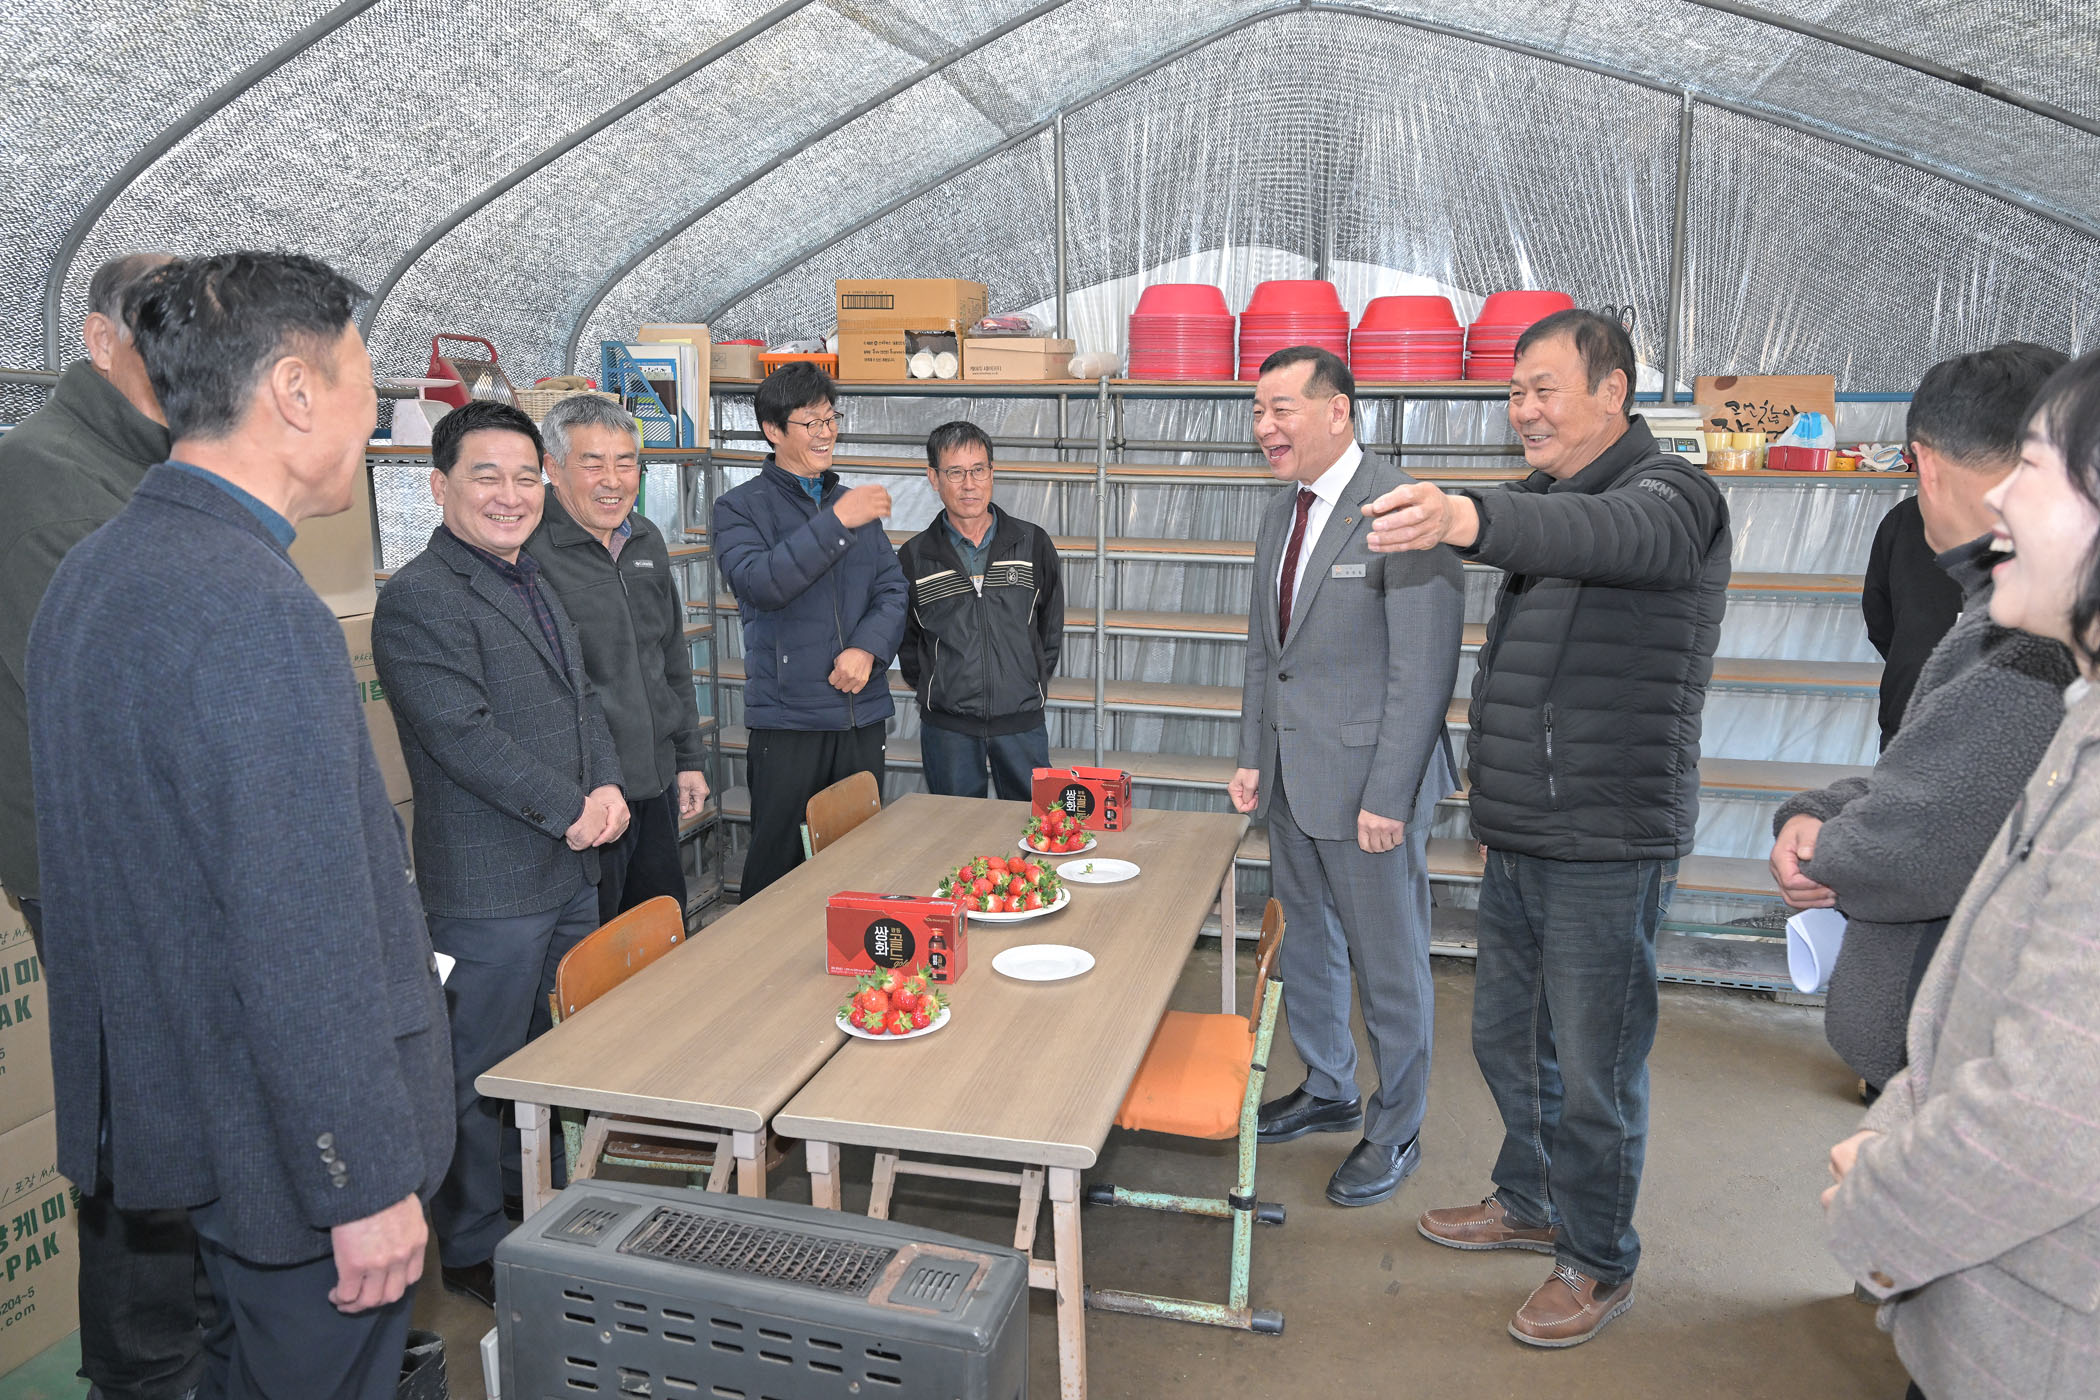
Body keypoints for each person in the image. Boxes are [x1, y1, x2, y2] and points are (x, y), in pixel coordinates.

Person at [28, 251, 451, 1400]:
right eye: (363, 383)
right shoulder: (255, 608)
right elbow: (297, 930)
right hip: (294, 1170)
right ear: (296, 391)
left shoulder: (95, 575)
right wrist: (359, 1181)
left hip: (190, 1129)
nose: (373, 419)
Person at [1366, 308, 1731, 1347]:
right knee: (1508, 1036)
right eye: (1514, 391)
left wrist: (1466, 516)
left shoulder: (1672, 495)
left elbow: (1603, 537)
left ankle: (1599, 1258)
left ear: (1613, 390)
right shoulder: (1549, 497)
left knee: (1595, 1066)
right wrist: (1496, 803)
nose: (1523, 408)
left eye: (1543, 388)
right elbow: (1520, 676)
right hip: (1527, 831)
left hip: (1610, 840)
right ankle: (1530, 1198)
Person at [1824, 349, 2100, 1400]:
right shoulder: (2078, 718)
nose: (2002, 502)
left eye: (2033, 466)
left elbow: (2051, 1114)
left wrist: (1878, 1198)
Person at [0, 252, 214, 1400]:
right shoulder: (47, 474)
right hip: (96, 857)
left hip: (153, 844)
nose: (186, 353)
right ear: (97, 339)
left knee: (180, 1104)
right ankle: (140, 1369)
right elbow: (101, 697)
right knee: (136, 1121)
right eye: (158, 326)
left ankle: (190, 1343)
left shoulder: (151, 461)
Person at [372, 399, 628, 1309]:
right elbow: (462, 735)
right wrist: (571, 807)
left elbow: (582, 700)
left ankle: (538, 1202)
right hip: (487, 888)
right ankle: (475, 1241)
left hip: (566, 869)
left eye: (526, 477)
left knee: (552, 1056)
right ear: (438, 487)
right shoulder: (418, 598)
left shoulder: (531, 577)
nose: (510, 495)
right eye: (487, 476)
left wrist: (607, 786)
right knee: (476, 1072)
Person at [1770, 343, 2072, 1100]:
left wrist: (1824, 847)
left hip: (1959, 1064)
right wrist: (1823, 809)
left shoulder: (2024, 632)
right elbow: (1944, 782)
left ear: (1924, 463)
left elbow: (1921, 845)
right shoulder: (1998, 606)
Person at [1229, 348, 1463, 1208]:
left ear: (1338, 411)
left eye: (1281, 409)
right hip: (1294, 776)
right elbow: (1267, 651)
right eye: (1258, 411)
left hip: (1370, 788)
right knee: (1308, 945)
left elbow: (1423, 669)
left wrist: (1389, 795)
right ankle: (1328, 1084)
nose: (1265, 427)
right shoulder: (1279, 514)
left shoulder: (1401, 508)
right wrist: (1252, 753)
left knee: (1388, 963)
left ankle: (1396, 1125)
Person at [712, 362, 906, 897]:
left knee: (859, 856)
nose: (826, 432)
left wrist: (867, 649)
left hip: (860, 711)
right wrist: (837, 522)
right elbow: (762, 583)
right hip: (789, 720)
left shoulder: (850, 505)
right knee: (780, 866)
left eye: (831, 418)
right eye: (810, 421)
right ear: (773, 431)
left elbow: (892, 590)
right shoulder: (739, 508)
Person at [525, 393, 710, 923]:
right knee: (595, 948)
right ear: (552, 468)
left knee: (660, 930)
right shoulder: (529, 553)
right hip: (586, 804)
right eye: (593, 463)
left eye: (626, 463)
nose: (613, 480)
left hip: (655, 783)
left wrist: (688, 759)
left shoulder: (645, 538)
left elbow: (670, 658)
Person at [897, 421, 1064, 799]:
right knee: (954, 829)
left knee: (1031, 825)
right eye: (955, 472)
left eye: (978, 470)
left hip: (1021, 724)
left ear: (992, 472)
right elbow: (908, 641)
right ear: (933, 478)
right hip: (948, 730)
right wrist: (941, 687)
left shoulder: (1032, 544)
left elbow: (1049, 629)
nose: (969, 484)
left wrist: (1026, 679)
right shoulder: (914, 557)